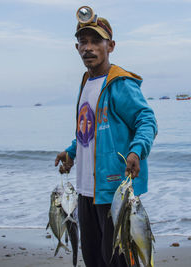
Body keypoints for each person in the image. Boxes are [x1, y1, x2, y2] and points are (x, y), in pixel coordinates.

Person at [55, 6, 157, 267]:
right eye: (82, 42)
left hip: (114, 194)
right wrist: (71, 152)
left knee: (119, 261)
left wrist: (136, 151)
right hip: (85, 192)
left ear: (110, 46)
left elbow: (147, 120)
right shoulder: (86, 82)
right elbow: (87, 132)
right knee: (94, 260)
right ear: (77, 48)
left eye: (95, 41)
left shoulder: (120, 83)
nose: (88, 48)